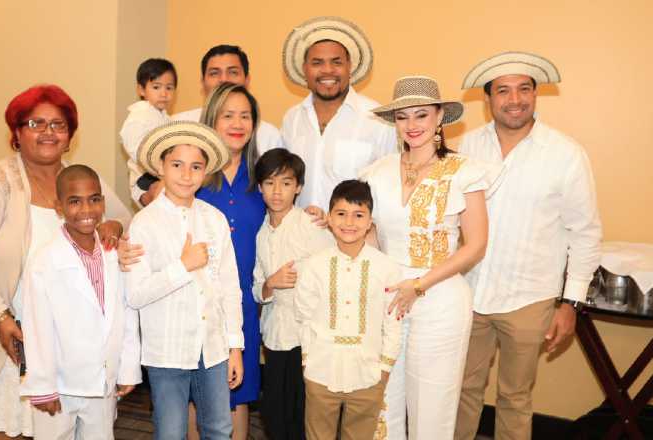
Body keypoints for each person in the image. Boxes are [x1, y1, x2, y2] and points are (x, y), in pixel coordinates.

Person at [0, 84, 130, 439]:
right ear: (17, 132)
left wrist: (116, 224)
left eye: (58, 125)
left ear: (70, 135)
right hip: (9, 330)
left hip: (74, 340)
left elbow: (125, 220)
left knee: (67, 428)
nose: (48, 132)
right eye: (36, 123)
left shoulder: (80, 180)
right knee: (11, 429)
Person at [454, 52, 602, 440]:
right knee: (461, 392)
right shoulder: (464, 149)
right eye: (503, 90)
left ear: (536, 94)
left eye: (524, 89)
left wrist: (570, 304)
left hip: (530, 296)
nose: (514, 99)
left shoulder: (565, 154)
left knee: (515, 396)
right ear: (488, 98)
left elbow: (585, 232)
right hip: (468, 292)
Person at [361, 76, 496, 439]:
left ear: (440, 117)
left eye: (422, 114)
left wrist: (419, 285)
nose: (413, 125)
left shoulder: (465, 171)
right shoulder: (376, 173)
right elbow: (370, 236)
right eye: (403, 117)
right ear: (394, 122)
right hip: (388, 299)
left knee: (433, 407)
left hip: (440, 302)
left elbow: (476, 244)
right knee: (383, 403)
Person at [126, 121, 244, 440]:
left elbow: (229, 287)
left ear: (205, 172)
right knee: (170, 432)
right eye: (176, 164)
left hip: (213, 345)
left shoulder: (213, 219)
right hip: (167, 349)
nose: (186, 174)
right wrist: (183, 265)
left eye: (196, 166)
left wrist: (235, 346)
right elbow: (135, 294)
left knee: (219, 428)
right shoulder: (144, 224)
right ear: (161, 167)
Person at [20, 165, 142, 439]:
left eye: (94, 199)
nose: (87, 210)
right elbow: (36, 327)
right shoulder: (44, 261)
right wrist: (42, 385)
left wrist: (128, 368)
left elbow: (126, 315)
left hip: (102, 380)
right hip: (62, 382)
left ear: (103, 202)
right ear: (59, 207)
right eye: (75, 201)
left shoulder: (113, 252)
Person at [295, 179, 403, 440]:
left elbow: (392, 322)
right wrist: (308, 361)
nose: (349, 222)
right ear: (330, 218)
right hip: (321, 371)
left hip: (368, 374)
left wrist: (385, 368)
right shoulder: (313, 265)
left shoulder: (386, 268)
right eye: (341, 214)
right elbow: (303, 316)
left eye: (358, 215)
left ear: (370, 222)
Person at [195, 82, 266, 440]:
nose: (238, 123)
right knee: (198, 399)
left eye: (245, 116)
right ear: (212, 120)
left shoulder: (263, 180)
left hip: (244, 307)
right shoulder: (191, 178)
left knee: (238, 396)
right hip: (199, 306)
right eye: (228, 115)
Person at [251, 148, 334, 440]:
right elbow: (258, 289)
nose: (277, 192)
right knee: (274, 411)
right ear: (260, 187)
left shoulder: (310, 224)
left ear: (298, 187)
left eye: (286, 183)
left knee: (304, 414)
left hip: (307, 336)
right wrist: (271, 283)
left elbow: (333, 272)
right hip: (274, 335)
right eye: (270, 183)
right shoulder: (261, 233)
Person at [281, 16, 397, 210]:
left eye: (337, 62)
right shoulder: (291, 119)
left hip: (354, 238)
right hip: (300, 237)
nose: (328, 70)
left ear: (349, 66)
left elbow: (391, 188)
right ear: (305, 69)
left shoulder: (378, 120)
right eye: (317, 62)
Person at [174, 44, 283, 153]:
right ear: (203, 83)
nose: (224, 79)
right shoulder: (179, 126)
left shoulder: (269, 136)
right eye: (214, 73)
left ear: (247, 80)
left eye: (233, 72)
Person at [120, 58, 177, 207]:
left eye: (169, 88)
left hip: (162, 171)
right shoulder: (139, 114)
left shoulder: (166, 118)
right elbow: (132, 144)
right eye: (156, 87)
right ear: (141, 90)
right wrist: (155, 164)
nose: (164, 93)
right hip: (145, 176)